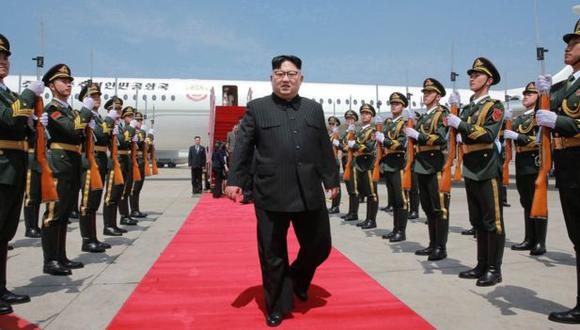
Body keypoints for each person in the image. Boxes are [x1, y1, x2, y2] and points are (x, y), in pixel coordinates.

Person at [225, 55, 339, 327]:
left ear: (300, 78)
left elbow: (323, 145)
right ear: (271, 78)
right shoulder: (257, 108)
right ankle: (277, 306)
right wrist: (235, 178)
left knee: (320, 245)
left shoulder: (313, 109)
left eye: (291, 73)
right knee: (272, 254)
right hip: (271, 192)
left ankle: (296, 278)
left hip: (308, 190)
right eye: (279, 73)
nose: (285, 78)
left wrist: (331, 178)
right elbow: (243, 146)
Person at [536, 19, 580, 324]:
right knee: (577, 236)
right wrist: (544, 95)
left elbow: (567, 122)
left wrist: (557, 121)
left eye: (575, 42)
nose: (568, 47)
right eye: (568, 42)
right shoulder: (567, 86)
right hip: (568, 165)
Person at [447, 57, 505, 287]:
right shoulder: (468, 107)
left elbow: (488, 135)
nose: (472, 78)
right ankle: (481, 264)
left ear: (489, 80)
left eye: (477, 75)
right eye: (471, 74)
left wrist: (460, 124)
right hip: (470, 166)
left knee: (493, 221)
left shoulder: (495, 106)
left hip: (486, 167)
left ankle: (494, 268)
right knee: (478, 221)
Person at [0, 33, 43, 313]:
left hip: (13, 168)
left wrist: (33, 122)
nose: (3, 61)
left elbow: (18, 126)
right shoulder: (15, 96)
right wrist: (29, 94)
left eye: (5, 56)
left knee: (4, 233)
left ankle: (1, 288)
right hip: (2, 167)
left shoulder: (8, 94)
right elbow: (6, 119)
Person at [41, 64, 87, 275]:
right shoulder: (52, 109)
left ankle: (61, 256)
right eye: (63, 81)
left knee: (66, 212)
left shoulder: (69, 110)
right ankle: (50, 260)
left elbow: (81, 135)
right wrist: (85, 112)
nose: (68, 84)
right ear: (52, 85)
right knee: (54, 214)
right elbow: (71, 129)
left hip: (72, 162)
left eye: (70, 81)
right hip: (59, 164)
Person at [407, 78, 449, 259]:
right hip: (421, 164)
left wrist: (418, 135)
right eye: (424, 92)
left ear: (438, 96)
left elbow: (440, 138)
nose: (425, 95)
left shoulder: (442, 114)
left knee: (439, 208)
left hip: (435, 164)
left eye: (429, 92)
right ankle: (432, 244)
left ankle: (441, 247)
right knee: (428, 208)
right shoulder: (424, 116)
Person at [504, 82, 545, 255]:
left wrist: (517, 136)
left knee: (538, 202)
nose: (525, 96)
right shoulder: (520, 118)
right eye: (525, 94)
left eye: (530, 94)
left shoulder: (539, 115)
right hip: (521, 161)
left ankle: (540, 242)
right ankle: (529, 239)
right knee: (526, 201)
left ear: (538, 96)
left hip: (534, 161)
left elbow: (539, 140)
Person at [77, 82, 110, 252]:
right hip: (90, 161)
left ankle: (93, 237)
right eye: (92, 96)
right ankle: (86, 239)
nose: (96, 99)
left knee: (95, 201)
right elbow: (97, 135)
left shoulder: (97, 117)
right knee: (87, 202)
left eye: (98, 96)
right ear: (84, 99)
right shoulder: (84, 115)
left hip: (101, 159)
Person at [376, 93, 408, 241]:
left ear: (403, 106)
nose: (394, 106)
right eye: (392, 103)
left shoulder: (404, 123)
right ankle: (395, 229)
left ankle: (401, 231)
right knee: (393, 199)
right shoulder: (389, 123)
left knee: (400, 199)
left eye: (397, 104)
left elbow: (401, 144)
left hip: (398, 163)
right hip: (388, 162)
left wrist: (385, 141)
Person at [349, 104, 378, 230]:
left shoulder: (372, 131)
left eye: (367, 113)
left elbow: (369, 147)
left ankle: (372, 220)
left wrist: (354, 145)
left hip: (367, 163)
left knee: (372, 193)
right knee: (365, 192)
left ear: (371, 116)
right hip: (359, 163)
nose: (364, 115)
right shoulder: (360, 131)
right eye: (362, 113)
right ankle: (367, 218)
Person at [102, 96, 127, 236]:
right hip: (113, 162)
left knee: (117, 195)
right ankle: (108, 225)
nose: (118, 111)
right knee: (110, 195)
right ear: (109, 110)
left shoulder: (119, 125)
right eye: (116, 108)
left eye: (119, 109)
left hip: (121, 163)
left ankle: (113, 224)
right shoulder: (108, 122)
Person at [118, 107, 139, 226]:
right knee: (123, 190)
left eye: (132, 116)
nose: (132, 118)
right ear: (124, 117)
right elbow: (123, 142)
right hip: (121, 160)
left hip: (128, 160)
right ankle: (123, 215)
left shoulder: (127, 128)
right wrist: (131, 129)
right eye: (129, 116)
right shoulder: (124, 128)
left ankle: (126, 215)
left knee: (127, 190)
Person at [338, 110, 359, 221]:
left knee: (353, 188)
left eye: (351, 119)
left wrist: (341, 145)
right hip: (345, 159)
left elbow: (350, 147)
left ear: (355, 120)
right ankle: (350, 212)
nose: (349, 121)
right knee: (349, 188)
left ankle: (354, 213)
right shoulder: (346, 132)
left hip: (352, 160)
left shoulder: (355, 132)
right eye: (347, 119)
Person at [130, 112, 150, 218]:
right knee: (134, 188)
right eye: (137, 120)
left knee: (138, 188)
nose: (139, 122)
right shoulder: (131, 131)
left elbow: (146, 149)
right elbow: (137, 142)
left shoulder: (141, 133)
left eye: (141, 120)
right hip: (135, 162)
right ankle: (133, 210)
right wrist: (143, 133)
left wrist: (150, 142)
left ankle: (136, 209)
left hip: (141, 161)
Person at [327, 115, 342, 214]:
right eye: (330, 124)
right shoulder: (330, 134)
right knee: (332, 184)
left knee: (336, 184)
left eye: (333, 124)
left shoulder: (336, 135)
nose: (331, 125)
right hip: (329, 161)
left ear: (337, 125)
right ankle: (333, 205)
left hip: (334, 160)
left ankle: (336, 206)